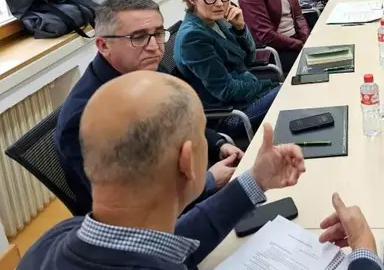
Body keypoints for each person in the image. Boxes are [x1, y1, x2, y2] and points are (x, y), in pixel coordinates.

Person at [19, 71, 312, 270]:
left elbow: (169, 245)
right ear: (187, 161)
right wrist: (360, 254)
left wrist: (256, 180)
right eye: (201, 137)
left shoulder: (54, 238)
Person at [55, 0, 243, 215]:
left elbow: (180, 120)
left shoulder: (145, 69)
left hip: (185, 177)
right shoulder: (85, 118)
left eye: (158, 33)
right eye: (139, 37)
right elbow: (129, 204)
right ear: (104, 45)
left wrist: (218, 144)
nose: (155, 47)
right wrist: (208, 182)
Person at [175, 0, 280, 140]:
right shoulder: (193, 37)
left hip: (245, 96)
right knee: (292, 93)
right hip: (229, 114)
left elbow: (248, 58)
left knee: (295, 91)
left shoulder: (215, 20)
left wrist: (240, 28)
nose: (219, 3)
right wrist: (267, 84)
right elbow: (226, 90)